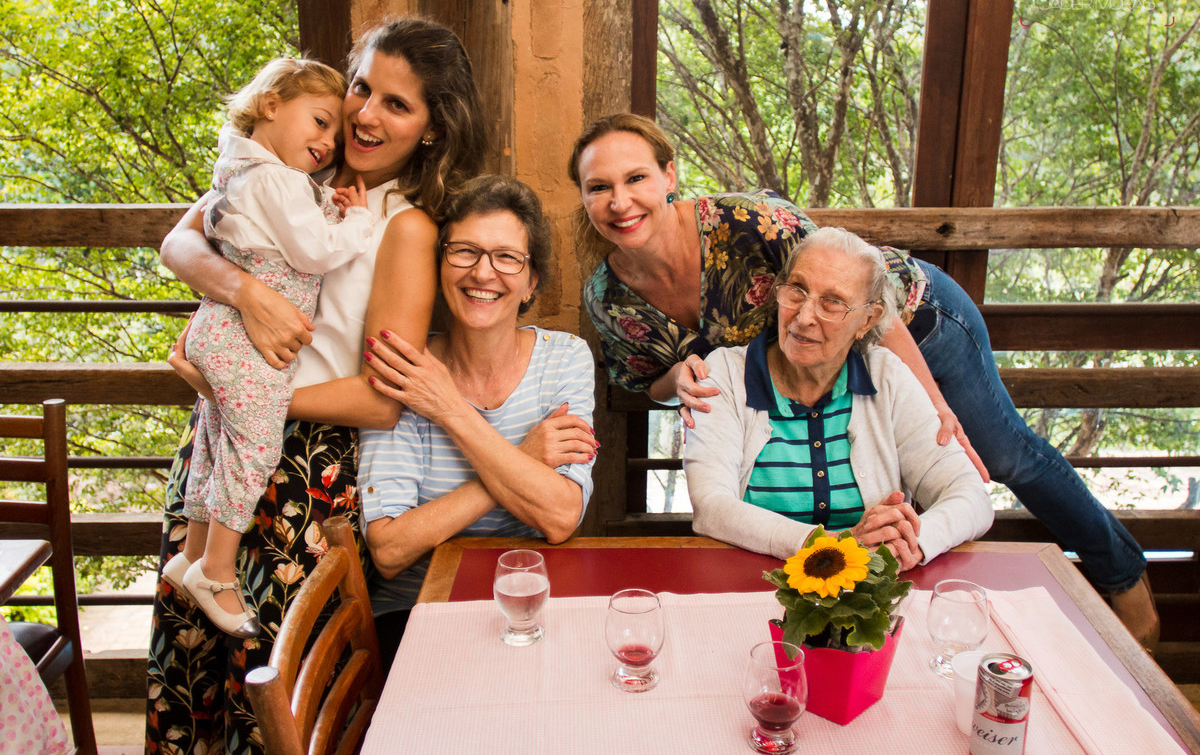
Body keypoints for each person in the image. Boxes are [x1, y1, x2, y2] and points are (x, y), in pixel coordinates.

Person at [568, 113, 1158, 648]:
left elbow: (855, 294)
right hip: (806, 353)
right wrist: (680, 373)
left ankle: (1121, 571)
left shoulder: (749, 224)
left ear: (669, 175)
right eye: (600, 187)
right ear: (585, 198)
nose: (620, 201)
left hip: (912, 320)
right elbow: (645, 378)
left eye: (636, 178)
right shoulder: (606, 296)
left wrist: (933, 405)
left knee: (998, 456)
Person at [146, 16, 487, 755]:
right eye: (361, 87)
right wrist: (243, 291)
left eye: (397, 104)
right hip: (218, 448)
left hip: (301, 473)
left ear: (432, 129)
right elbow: (178, 239)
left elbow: (379, 399)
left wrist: (233, 387)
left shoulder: (404, 226)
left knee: (270, 700)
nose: (365, 113)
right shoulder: (288, 165)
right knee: (192, 669)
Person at [163, 57, 376, 638]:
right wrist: (357, 222)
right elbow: (310, 251)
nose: (330, 141)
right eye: (321, 121)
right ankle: (216, 570)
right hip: (240, 335)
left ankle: (195, 552)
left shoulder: (238, 167)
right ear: (271, 104)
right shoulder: (276, 178)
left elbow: (273, 228)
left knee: (217, 441)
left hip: (219, 325)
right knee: (254, 446)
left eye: (336, 131)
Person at [357, 175, 598, 666]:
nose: (483, 272)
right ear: (440, 265)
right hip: (415, 611)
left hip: (533, 601)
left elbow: (559, 517)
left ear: (531, 282)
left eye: (507, 257)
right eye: (464, 251)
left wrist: (449, 409)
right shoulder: (408, 369)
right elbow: (389, 547)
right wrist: (522, 460)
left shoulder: (566, 359)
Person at [684, 227, 993, 566]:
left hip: (863, 593)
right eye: (797, 291)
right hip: (749, 586)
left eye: (832, 303)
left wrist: (910, 543)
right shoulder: (726, 374)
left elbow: (971, 495)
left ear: (868, 319)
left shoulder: (887, 376)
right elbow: (711, 505)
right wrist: (832, 546)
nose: (804, 318)